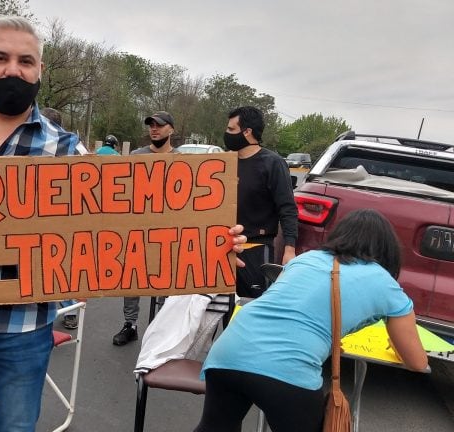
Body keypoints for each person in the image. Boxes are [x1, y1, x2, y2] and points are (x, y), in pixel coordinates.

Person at [0, 16, 249, 431]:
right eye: (1, 57)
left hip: (23, 329)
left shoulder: (66, 150)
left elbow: (125, 229)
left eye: (26, 61)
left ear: (40, 70)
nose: (13, 70)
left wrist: (208, 245)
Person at [195, 209, 429, 432]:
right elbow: (417, 362)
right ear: (387, 250)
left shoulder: (306, 259)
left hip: (229, 351)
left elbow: (292, 309)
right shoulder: (383, 282)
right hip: (287, 369)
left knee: (216, 427)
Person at [112, 111, 178, 346]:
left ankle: (160, 330)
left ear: (171, 129)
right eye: (151, 125)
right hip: (137, 228)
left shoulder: (182, 159)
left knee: (165, 281)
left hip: (168, 230)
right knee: (132, 278)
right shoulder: (136, 156)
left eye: (159, 125)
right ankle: (130, 324)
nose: (154, 129)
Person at [224, 106, 297, 298]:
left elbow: (287, 208)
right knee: (220, 307)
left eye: (231, 129)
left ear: (247, 132)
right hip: (222, 248)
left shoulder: (272, 163)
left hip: (255, 249)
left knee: (247, 307)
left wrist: (290, 249)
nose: (227, 134)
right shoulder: (223, 162)